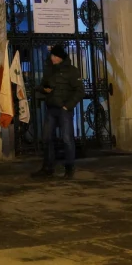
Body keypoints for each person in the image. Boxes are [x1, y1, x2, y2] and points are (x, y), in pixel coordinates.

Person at [35, 44, 85, 179]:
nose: (52, 58)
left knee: (67, 139)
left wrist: (68, 106)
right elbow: (43, 85)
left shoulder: (72, 71)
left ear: (60, 57)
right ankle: (48, 167)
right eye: (52, 56)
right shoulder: (49, 70)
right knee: (46, 138)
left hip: (64, 110)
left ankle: (69, 168)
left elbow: (80, 91)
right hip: (51, 108)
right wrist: (43, 89)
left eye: (54, 56)